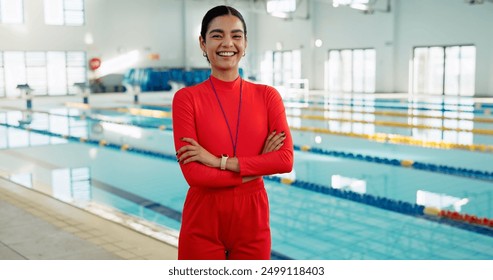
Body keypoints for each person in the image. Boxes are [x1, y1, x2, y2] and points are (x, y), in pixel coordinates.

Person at [172, 5, 293, 260]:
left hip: (253, 220)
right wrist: (258, 166)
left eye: (236, 35)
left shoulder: (267, 97)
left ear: (246, 43)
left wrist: (218, 162)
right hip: (203, 219)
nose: (228, 43)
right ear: (203, 43)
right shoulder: (186, 99)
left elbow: (284, 160)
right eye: (217, 35)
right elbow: (195, 175)